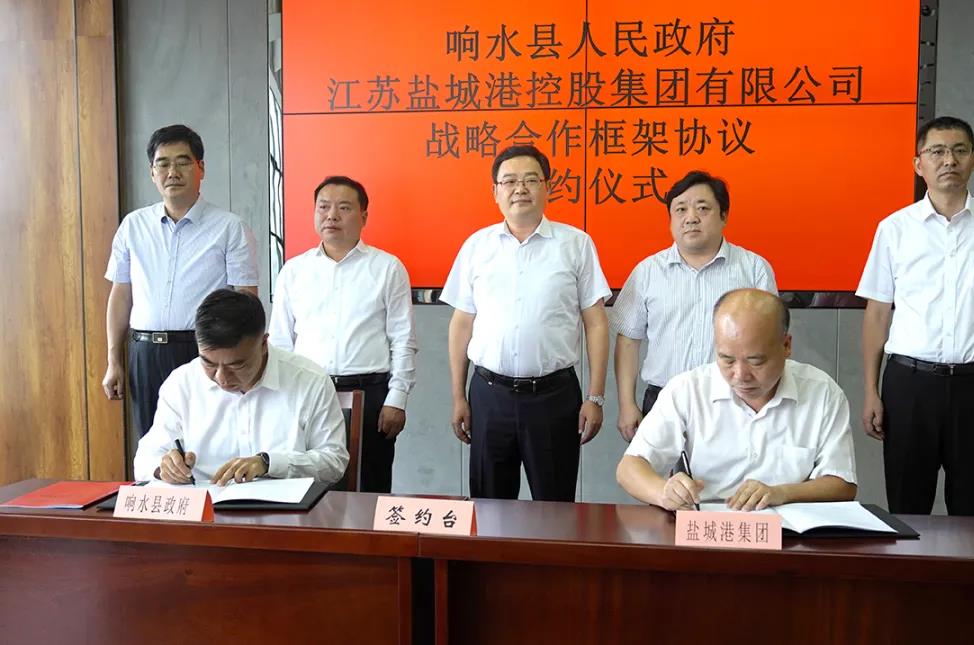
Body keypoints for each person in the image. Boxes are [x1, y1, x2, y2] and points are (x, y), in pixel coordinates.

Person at [857, 115, 974, 526]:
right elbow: (877, 312)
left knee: (973, 513)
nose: (949, 160)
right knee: (907, 510)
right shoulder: (894, 229)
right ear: (918, 163)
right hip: (909, 386)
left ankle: (970, 574)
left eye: (960, 151)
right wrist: (871, 390)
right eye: (937, 151)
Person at [441, 144, 611, 501]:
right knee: (489, 505)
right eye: (510, 181)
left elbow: (596, 323)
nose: (520, 188)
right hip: (489, 395)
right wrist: (458, 396)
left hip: (554, 397)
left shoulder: (576, 244)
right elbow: (461, 324)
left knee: (555, 506)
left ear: (547, 188)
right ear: (495, 192)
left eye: (531, 180)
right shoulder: (476, 246)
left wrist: (595, 396)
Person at [616, 289, 857, 511]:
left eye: (756, 361)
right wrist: (663, 493)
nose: (740, 375)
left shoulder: (822, 392)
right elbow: (629, 467)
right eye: (727, 359)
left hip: (790, 531)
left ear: (786, 346)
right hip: (708, 529)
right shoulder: (688, 389)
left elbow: (842, 483)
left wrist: (781, 493)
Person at [103, 124, 258, 438]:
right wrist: (113, 359)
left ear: (201, 168)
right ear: (152, 173)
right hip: (144, 353)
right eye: (163, 164)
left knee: (206, 443)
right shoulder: (133, 226)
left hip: (203, 353)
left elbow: (246, 300)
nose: (172, 172)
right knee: (153, 444)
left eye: (183, 162)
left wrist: (242, 363)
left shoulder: (229, 227)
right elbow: (121, 294)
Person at [269, 175, 416, 493]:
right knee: (307, 489)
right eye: (323, 207)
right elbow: (279, 342)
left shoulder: (387, 268)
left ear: (364, 216)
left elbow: (403, 340)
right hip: (308, 393)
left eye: (344, 208)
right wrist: (281, 400)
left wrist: (397, 399)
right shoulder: (293, 271)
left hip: (369, 394)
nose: (331, 216)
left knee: (370, 487)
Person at [610, 170, 777, 442]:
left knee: (732, 471)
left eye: (702, 208)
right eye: (681, 209)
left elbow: (770, 342)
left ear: (724, 216)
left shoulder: (753, 269)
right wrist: (627, 404)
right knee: (661, 472)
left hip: (735, 401)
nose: (691, 218)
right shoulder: (648, 272)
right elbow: (628, 340)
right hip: (664, 401)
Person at [134, 289, 347, 484]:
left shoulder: (309, 381)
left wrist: (269, 463)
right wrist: (163, 468)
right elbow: (144, 458)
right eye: (208, 363)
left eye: (236, 365)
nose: (222, 378)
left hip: (286, 509)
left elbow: (334, 462)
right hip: (206, 508)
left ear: (263, 344)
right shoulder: (182, 383)